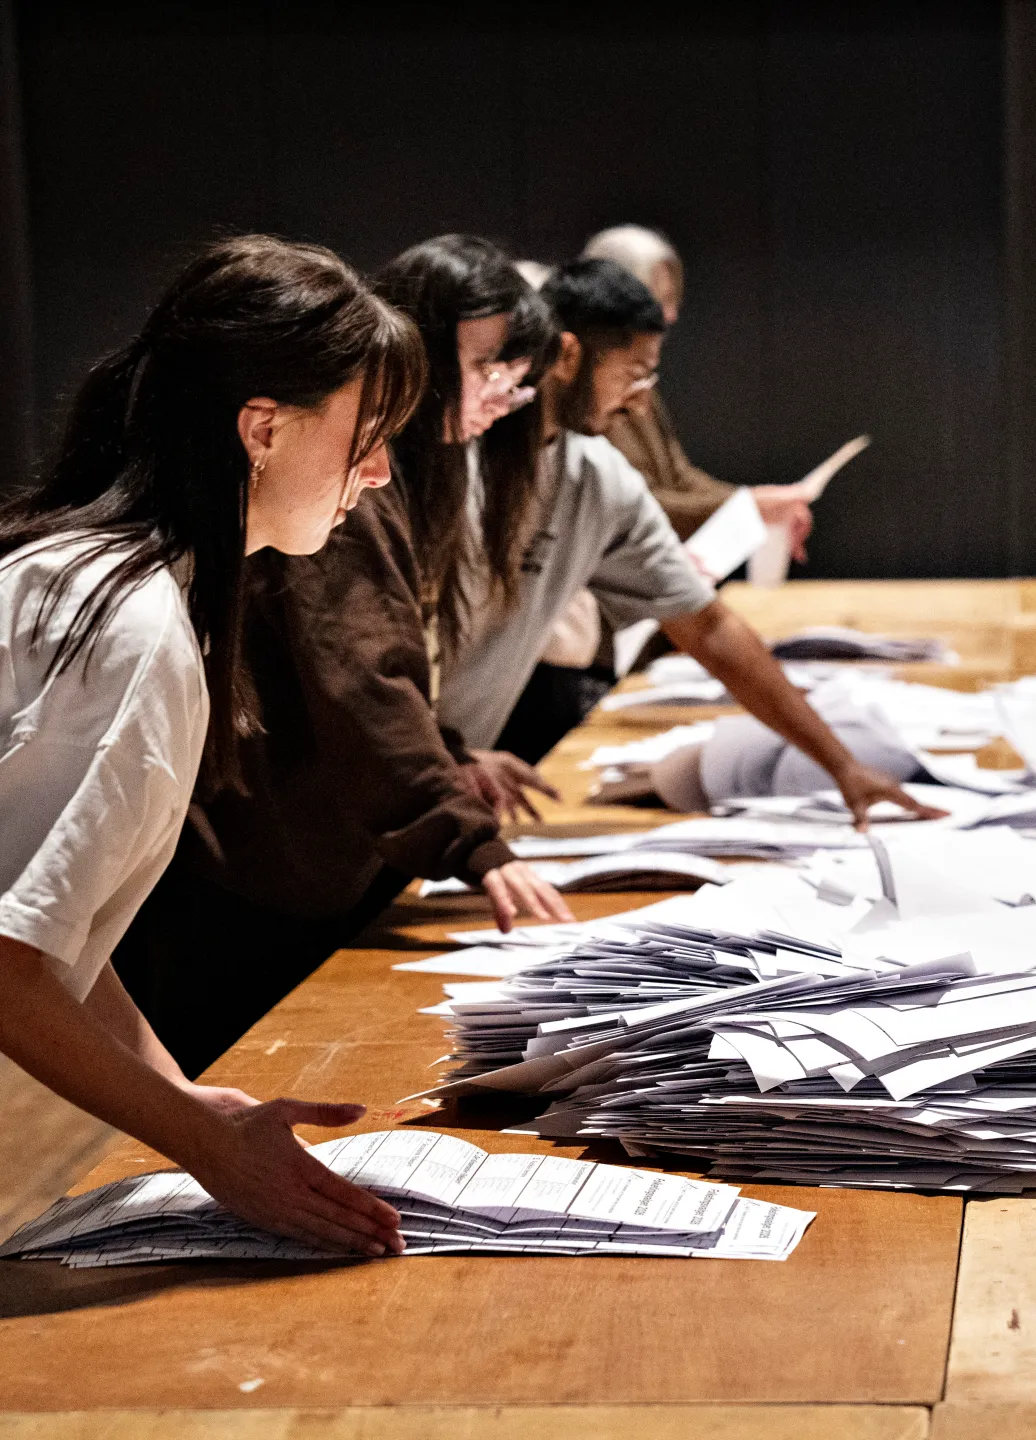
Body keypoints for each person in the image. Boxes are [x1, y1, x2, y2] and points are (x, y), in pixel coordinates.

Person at [0, 234, 424, 1255]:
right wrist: (206, 1146)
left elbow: (54, 931)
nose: (377, 473)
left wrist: (185, 1099)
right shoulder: (129, 621)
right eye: (367, 437)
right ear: (263, 429)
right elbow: (9, 962)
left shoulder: (114, 580)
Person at [115, 236, 575, 1079]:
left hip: (273, 864)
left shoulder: (370, 480)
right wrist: (466, 838)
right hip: (243, 878)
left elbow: (367, 666)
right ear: (261, 426)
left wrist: (449, 762)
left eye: (517, 378)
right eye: (488, 367)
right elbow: (360, 676)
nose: (503, 397)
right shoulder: (308, 500)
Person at [435, 257, 942, 833]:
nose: (639, 402)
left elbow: (707, 625)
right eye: (634, 375)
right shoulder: (453, 459)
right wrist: (442, 752)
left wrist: (842, 766)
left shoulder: (598, 477)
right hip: (394, 766)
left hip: (435, 775)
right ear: (569, 356)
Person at [583, 225, 816, 546]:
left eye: (671, 299)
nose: (670, 315)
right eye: (656, 300)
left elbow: (677, 477)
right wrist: (748, 507)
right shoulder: (579, 392)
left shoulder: (639, 379)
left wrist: (752, 502)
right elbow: (625, 506)